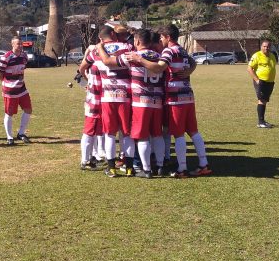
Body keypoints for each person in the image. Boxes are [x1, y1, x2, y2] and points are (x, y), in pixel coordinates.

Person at [130, 24, 211, 178]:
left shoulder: (169, 50)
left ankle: (182, 169)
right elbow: (192, 62)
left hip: (175, 99)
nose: (160, 40)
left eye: (161, 37)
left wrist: (139, 59)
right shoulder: (182, 49)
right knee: (194, 132)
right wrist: (190, 70)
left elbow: (159, 68)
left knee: (179, 134)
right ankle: (203, 164)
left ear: (167, 37)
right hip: (188, 96)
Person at [98, 29, 164, 178]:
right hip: (157, 101)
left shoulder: (133, 56)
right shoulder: (159, 56)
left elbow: (108, 62)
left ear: (138, 42)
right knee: (157, 134)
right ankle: (159, 166)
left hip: (138, 101)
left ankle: (145, 170)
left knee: (139, 136)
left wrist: (100, 47)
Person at [85, 26, 133, 177]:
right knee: (127, 133)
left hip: (107, 97)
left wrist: (87, 79)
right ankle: (129, 167)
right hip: (125, 95)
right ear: (113, 34)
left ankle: (111, 168)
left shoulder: (96, 50)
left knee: (109, 134)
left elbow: (83, 66)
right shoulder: (127, 46)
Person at [0, 36, 32, 146]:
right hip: (9, 90)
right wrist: (7, 83)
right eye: (18, 44)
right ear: (12, 44)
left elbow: (22, 70)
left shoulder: (24, 56)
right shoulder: (5, 57)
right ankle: (9, 137)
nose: (20, 46)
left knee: (28, 109)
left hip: (21, 88)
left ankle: (21, 133)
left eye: (21, 44)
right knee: (9, 113)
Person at [77, 43, 103, 170]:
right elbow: (82, 70)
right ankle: (85, 160)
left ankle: (94, 156)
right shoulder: (99, 60)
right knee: (89, 131)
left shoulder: (93, 62)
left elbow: (82, 70)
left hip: (96, 99)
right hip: (95, 101)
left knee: (97, 131)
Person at [247, 40, 277, 128]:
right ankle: (260, 122)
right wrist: (257, 80)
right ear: (261, 47)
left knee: (264, 101)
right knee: (261, 100)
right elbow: (249, 68)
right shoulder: (257, 55)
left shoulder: (272, 56)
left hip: (270, 82)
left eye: (268, 46)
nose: (266, 48)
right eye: (264, 46)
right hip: (260, 81)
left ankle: (263, 121)